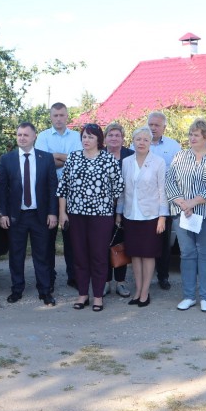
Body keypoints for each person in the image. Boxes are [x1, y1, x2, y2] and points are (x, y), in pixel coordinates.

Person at [57, 123, 124, 312]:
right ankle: (82, 294)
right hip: (76, 215)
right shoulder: (74, 158)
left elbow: (118, 187)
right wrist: (63, 213)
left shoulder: (107, 159)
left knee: (98, 256)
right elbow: (63, 188)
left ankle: (98, 296)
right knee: (79, 255)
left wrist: (104, 203)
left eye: (90, 137)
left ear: (99, 140)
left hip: (101, 216)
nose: (86, 140)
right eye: (84, 136)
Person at [166, 118, 206, 313]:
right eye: (190, 134)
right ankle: (189, 296)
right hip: (183, 213)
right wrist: (182, 202)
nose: (192, 138)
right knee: (187, 254)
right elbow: (169, 181)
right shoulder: (180, 156)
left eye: (196, 135)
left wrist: (194, 202)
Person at [0, 122, 58, 306]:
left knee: (43, 255)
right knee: (16, 255)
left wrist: (53, 213)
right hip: (17, 216)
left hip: (39, 215)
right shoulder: (7, 159)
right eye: (19, 135)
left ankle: (45, 291)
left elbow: (52, 188)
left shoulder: (46, 158)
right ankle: (17, 289)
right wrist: (3, 214)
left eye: (25, 135)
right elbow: (1, 189)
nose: (21, 138)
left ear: (34, 137)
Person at [115, 126, 168, 307]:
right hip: (131, 215)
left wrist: (162, 216)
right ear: (133, 141)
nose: (142, 142)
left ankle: (145, 292)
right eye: (139, 139)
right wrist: (119, 213)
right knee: (135, 255)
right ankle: (137, 290)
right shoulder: (126, 162)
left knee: (148, 255)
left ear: (150, 143)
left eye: (146, 139)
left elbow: (162, 190)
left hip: (151, 216)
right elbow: (122, 191)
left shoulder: (158, 162)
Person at [35, 102, 82, 291]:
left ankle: (74, 276)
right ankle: (49, 277)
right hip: (49, 193)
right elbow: (43, 163)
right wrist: (67, 158)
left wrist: (56, 157)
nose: (59, 119)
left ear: (67, 116)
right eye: (55, 115)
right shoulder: (43, 136)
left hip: (73, 193)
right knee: (48, 238)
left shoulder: (77, 136)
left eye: (62, 115)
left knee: (72, 239)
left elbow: (79, 160)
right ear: (50, 117)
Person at [148, 111, 181, 291]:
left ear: (164, 127)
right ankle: (144, 276)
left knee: (163, 240)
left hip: (164, 200)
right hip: (143, 202)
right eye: (151, 125)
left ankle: (163, 276)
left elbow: (177, 174)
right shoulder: (139, 142)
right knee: (145, 239)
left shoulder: (173, 146)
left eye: (157, 125)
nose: (153, 128)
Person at [103, 122, 134, 297]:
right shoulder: (99, 155)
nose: (114, 138)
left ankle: (121, 282)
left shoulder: (130, 156)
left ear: (123, 139)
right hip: (102, 209)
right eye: (110, 135)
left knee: (120, 244)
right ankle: (105, 281)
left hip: (126, 208)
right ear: (105, 138)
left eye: (117, 135)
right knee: (104, 244)